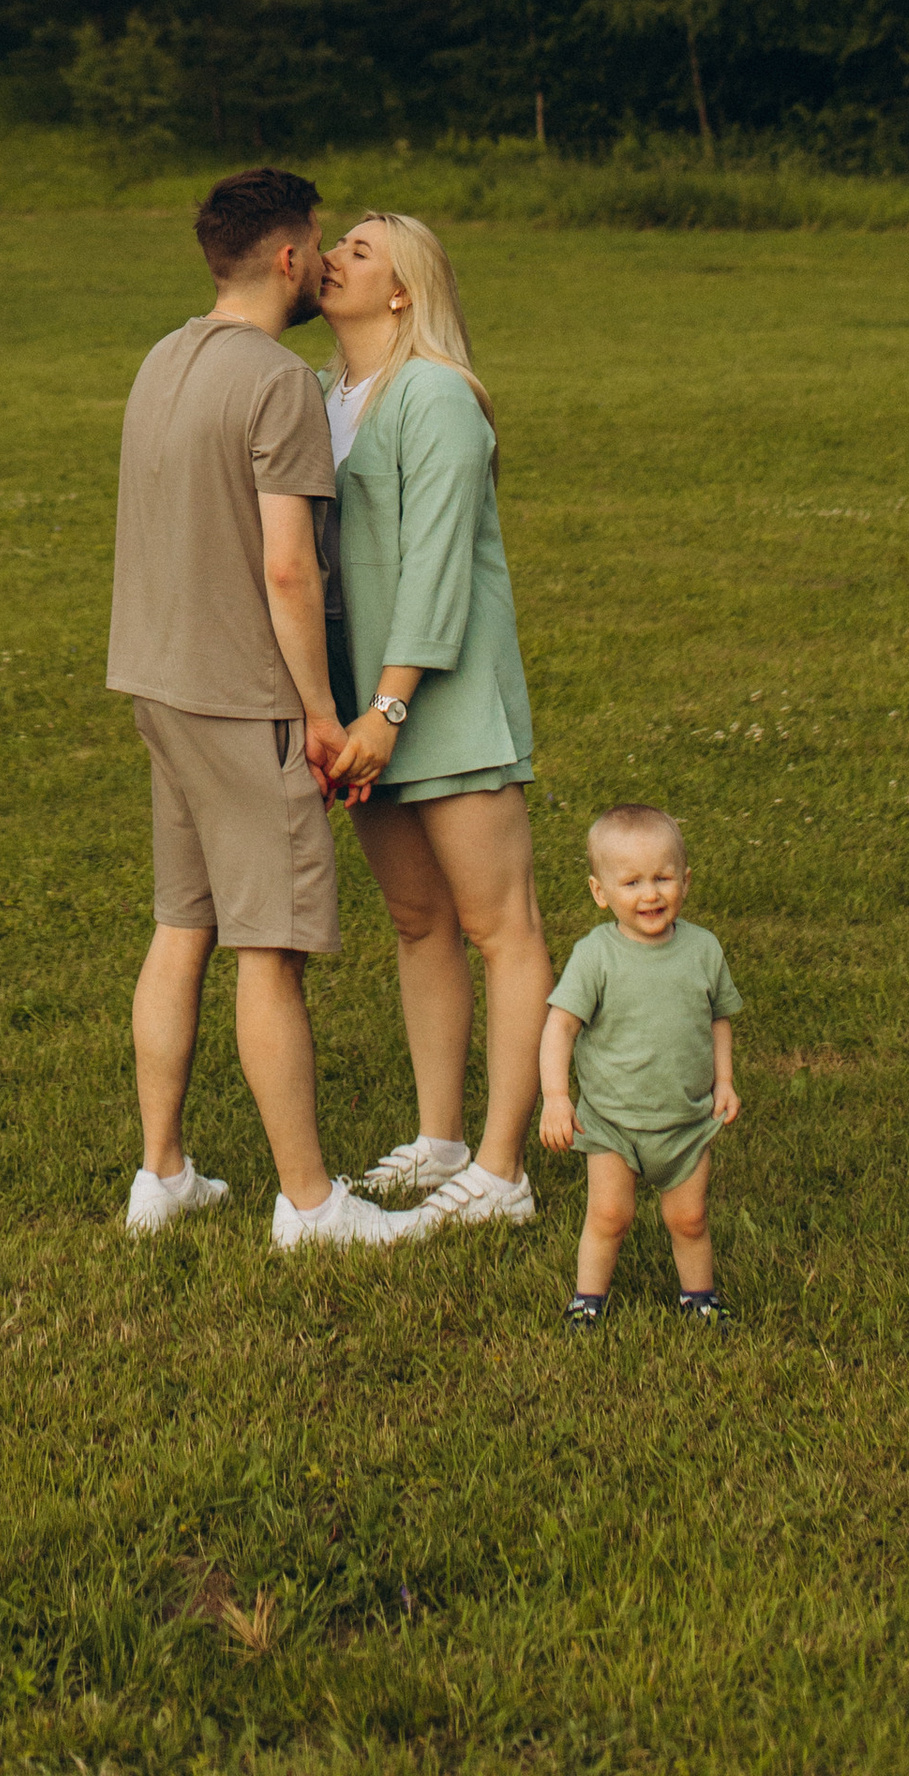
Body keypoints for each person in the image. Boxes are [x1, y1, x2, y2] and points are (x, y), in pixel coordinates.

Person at [108, 165, 405, 1251]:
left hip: (156, 679)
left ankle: (163, 1174)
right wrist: (321, 715)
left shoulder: (161, 359)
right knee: (268, 948)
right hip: (244, 700)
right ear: (285, 259)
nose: (325, 262)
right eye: (319, 245)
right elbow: (289, 570)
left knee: (181, 923)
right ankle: (312, 1205)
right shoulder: (278, 382)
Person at [317, 210, 550, 1240]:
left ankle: (503, 1169)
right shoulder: (331, 400)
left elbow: (439, 564)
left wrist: (390, 705)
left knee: (502, 929)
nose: (333, 258)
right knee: (418, 925)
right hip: (364, 716)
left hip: (438, 705)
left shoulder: (437, 397)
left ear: (404, 290)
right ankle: (442, 1140)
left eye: (360, 251)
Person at [538, 803, 741, 1325]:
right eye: (630, 883)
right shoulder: (596, 956)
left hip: (686, 1118)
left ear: (686, 881)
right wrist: (558, 1099)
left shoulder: (703, 949)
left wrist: (725, 1081)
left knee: (690, 1218)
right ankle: (588, 1300)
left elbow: (719, 1016)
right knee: (609, 1215)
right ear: (599, 892)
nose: (649, 894)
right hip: (612, 1121)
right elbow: (560, 1026)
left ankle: (699, 1297)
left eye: (662, 878)